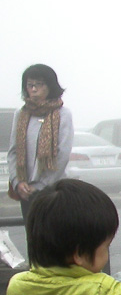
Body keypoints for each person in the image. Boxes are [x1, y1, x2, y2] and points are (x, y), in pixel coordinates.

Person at [7, 64, 74, 221]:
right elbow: (13, 152)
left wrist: (40, 186)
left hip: (52, 191)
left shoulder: (62, 114)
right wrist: (18, 182)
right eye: (30, 85)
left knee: (52, 237)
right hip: (25, 191)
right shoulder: (21, 114)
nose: (34, 89)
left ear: (50, 86)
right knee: (32, 238)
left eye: (39, 85)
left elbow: (62, 154)